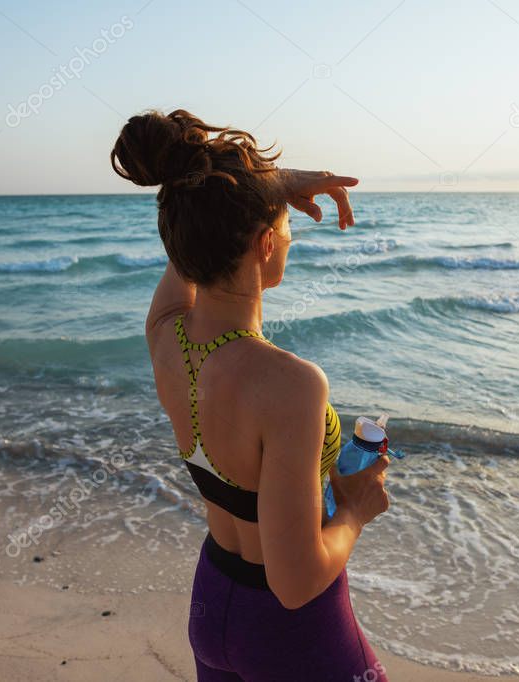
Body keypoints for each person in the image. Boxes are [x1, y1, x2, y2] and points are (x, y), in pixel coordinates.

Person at [111, 109, 391, 681]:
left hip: (213, 604)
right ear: (266, 242)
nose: (290, 233)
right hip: (292, 634)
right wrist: (357, 512)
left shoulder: (166, 332)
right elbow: (295, 583)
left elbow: (197, 243)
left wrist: (269, 189)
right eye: (284, 224)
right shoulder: (291, 384)